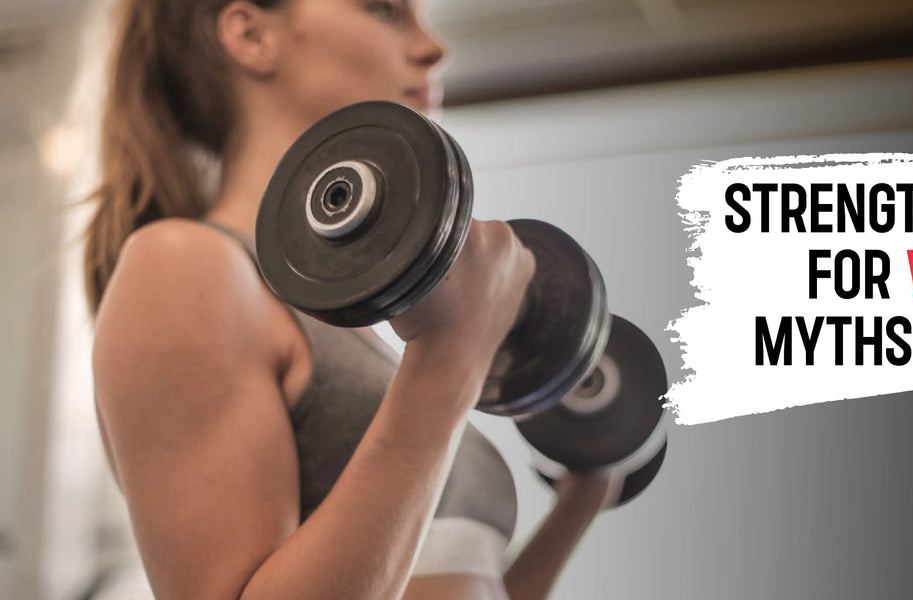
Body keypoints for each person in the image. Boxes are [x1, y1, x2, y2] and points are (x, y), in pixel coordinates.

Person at [85, 0, 620, 598]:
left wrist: (583, 495)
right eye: (386, 11)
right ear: (251, 35)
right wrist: (451, 357)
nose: (433, 48)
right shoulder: (185, 265)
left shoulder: (369, 331)